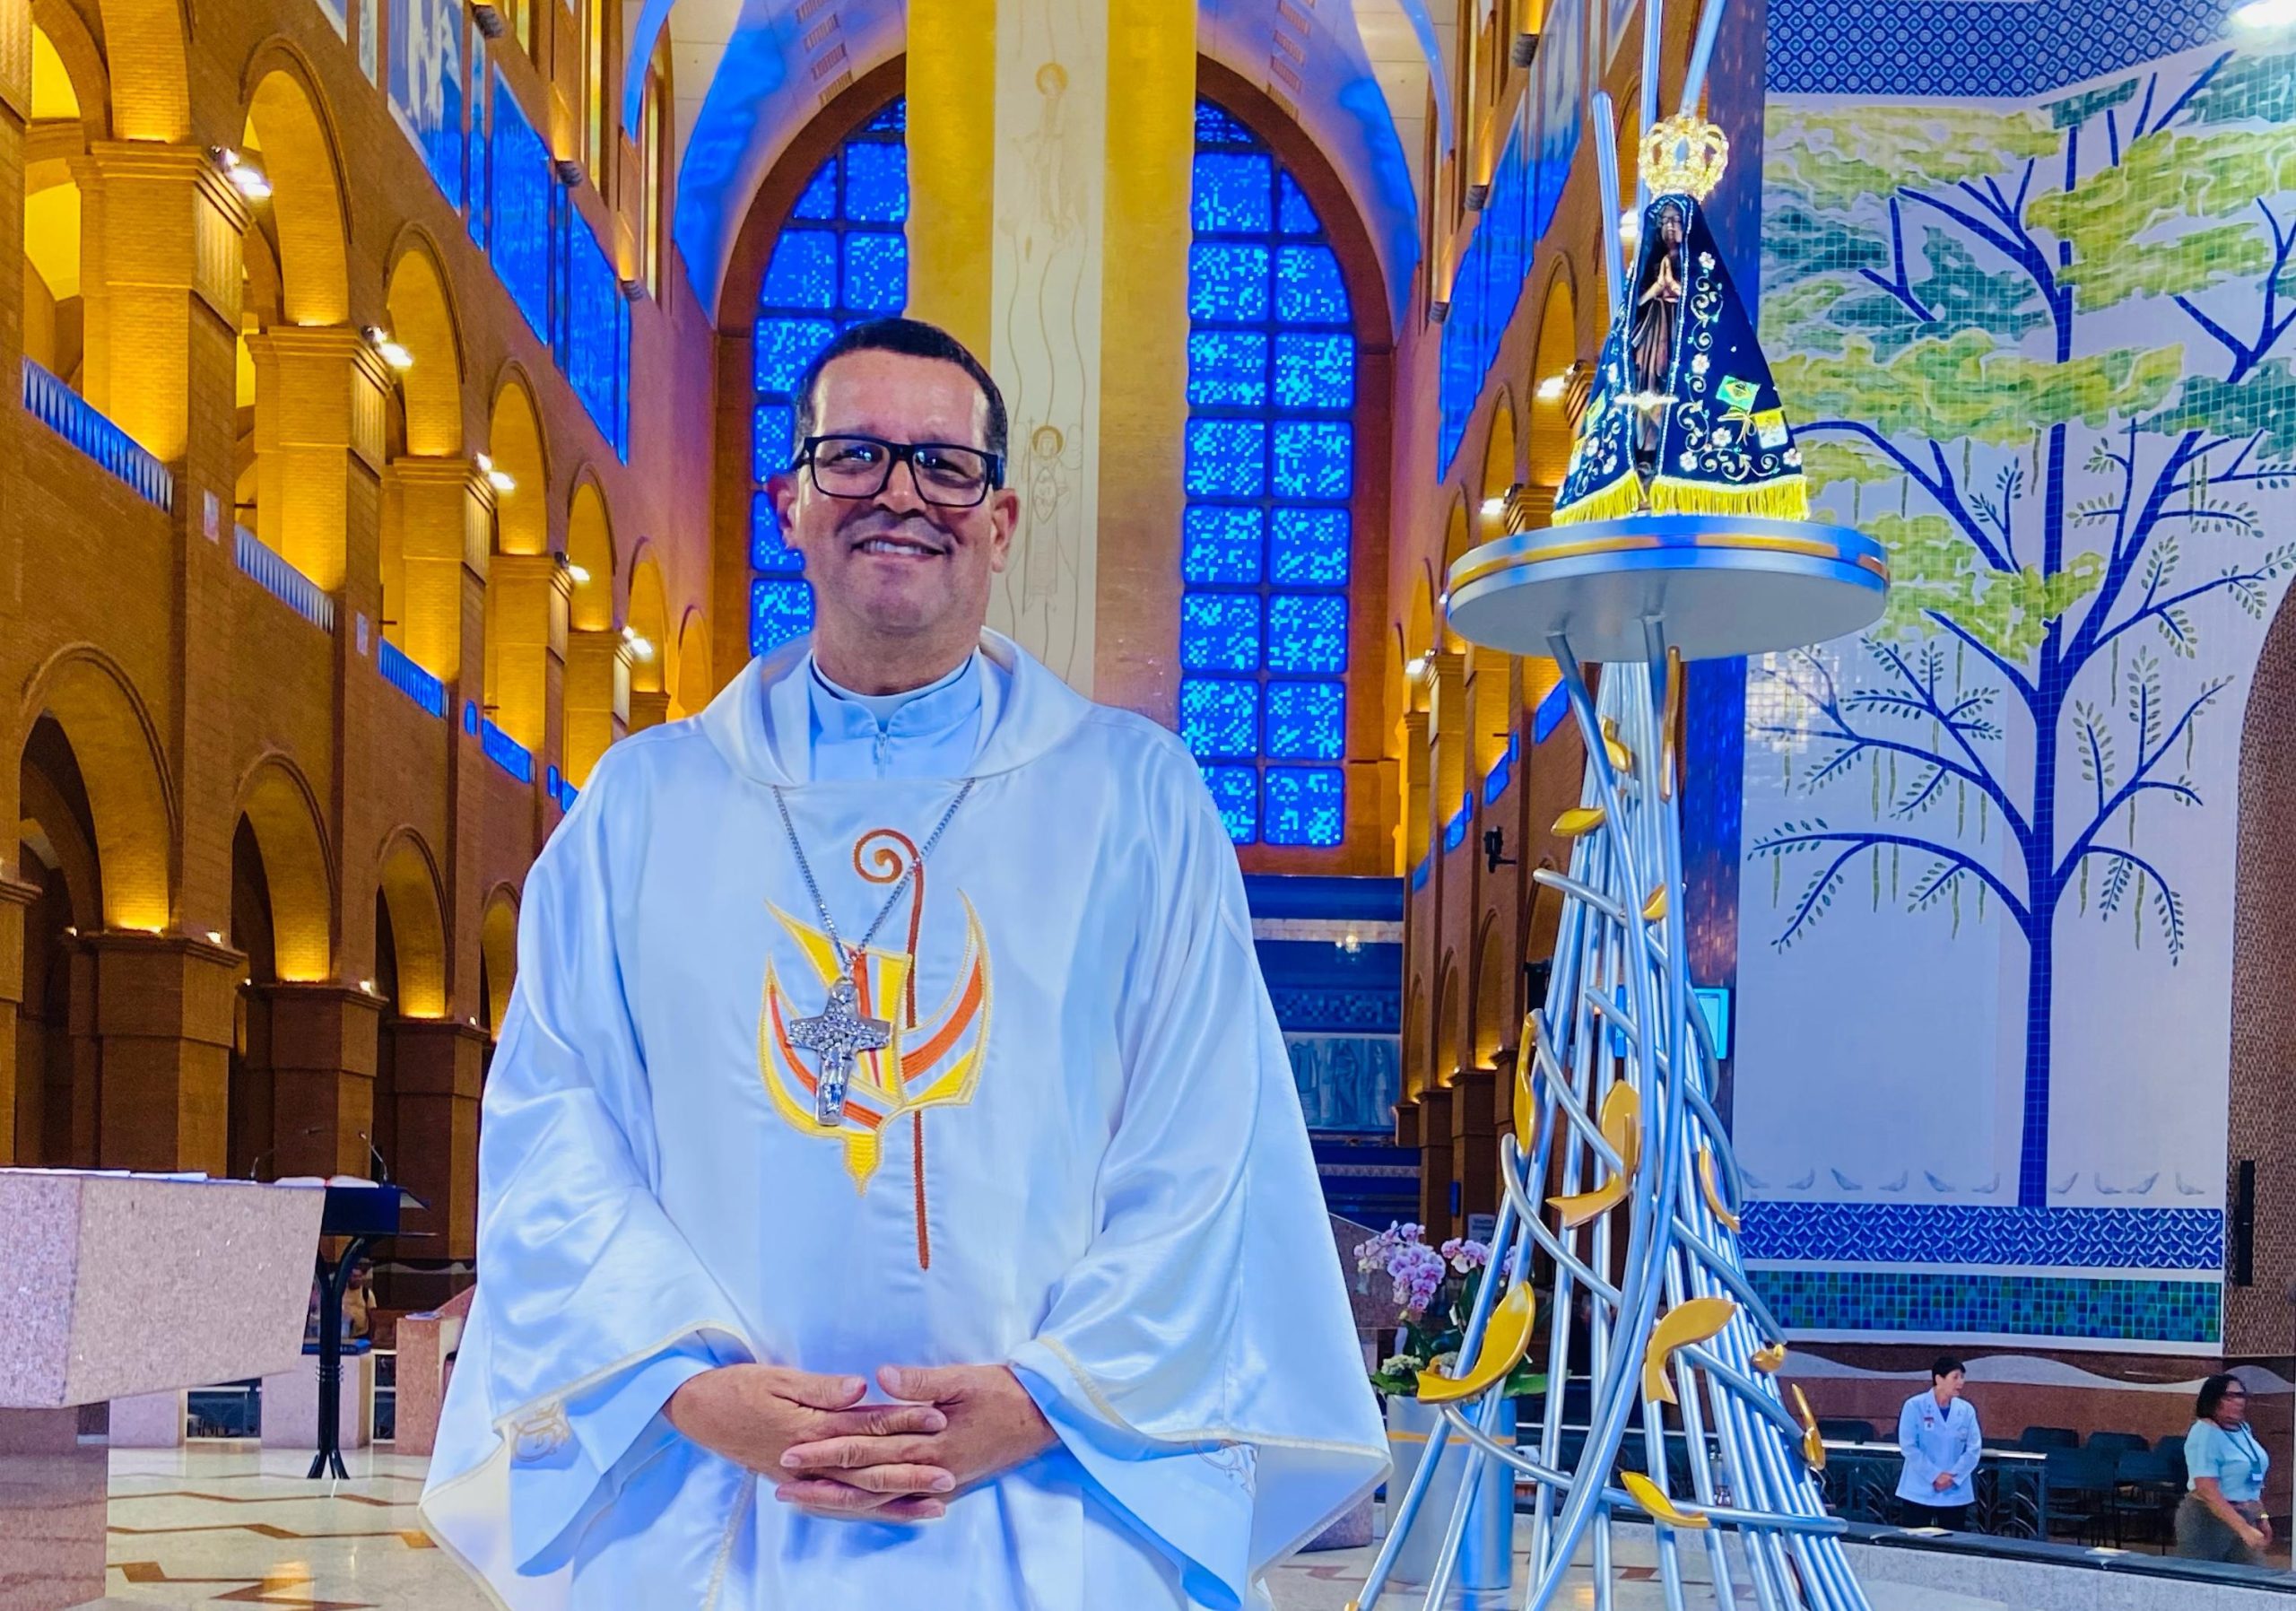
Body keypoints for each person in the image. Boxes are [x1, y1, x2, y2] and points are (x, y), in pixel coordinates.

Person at [420, 317, 1387, 1609]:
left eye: (944, 464)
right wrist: (684, 1387)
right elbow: (556, 1124)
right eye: (855, 455)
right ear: (790, 502)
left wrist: (1047, 1395)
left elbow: (1209, 1139)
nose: (900, 493)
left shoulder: (1134, 800)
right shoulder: (641, 807)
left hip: (1048, 1496)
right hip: (716, 1500)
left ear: (1000, 519)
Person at [2179, 1372, 2273, 1565]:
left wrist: (2261, 1516)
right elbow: (2207, 1490)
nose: (2239, 1402)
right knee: (2207, 1577)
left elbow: (2251, 1482)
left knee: (2252, 1576)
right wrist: (2243, 1528)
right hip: (2208, 1518)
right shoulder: (2204, 1432)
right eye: (2230, 1396)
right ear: (2213, 1399)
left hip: (2245, 1513)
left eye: (2241, 1395)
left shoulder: (2243, 1429)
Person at [1892, 1355, 1980, 1531]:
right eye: (1955, 1377)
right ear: (1939, 1379)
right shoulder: (1914, 1406)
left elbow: (1973, 1449)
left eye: (1962, 1377)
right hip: (1919, 1489)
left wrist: (1951, 1477)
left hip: (1954, 1491)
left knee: (1953, 1541)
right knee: (1915, 1540)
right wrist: (1934, 1475)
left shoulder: (1966, 1410)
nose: (1961, 1382)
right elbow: (1909, 1446)